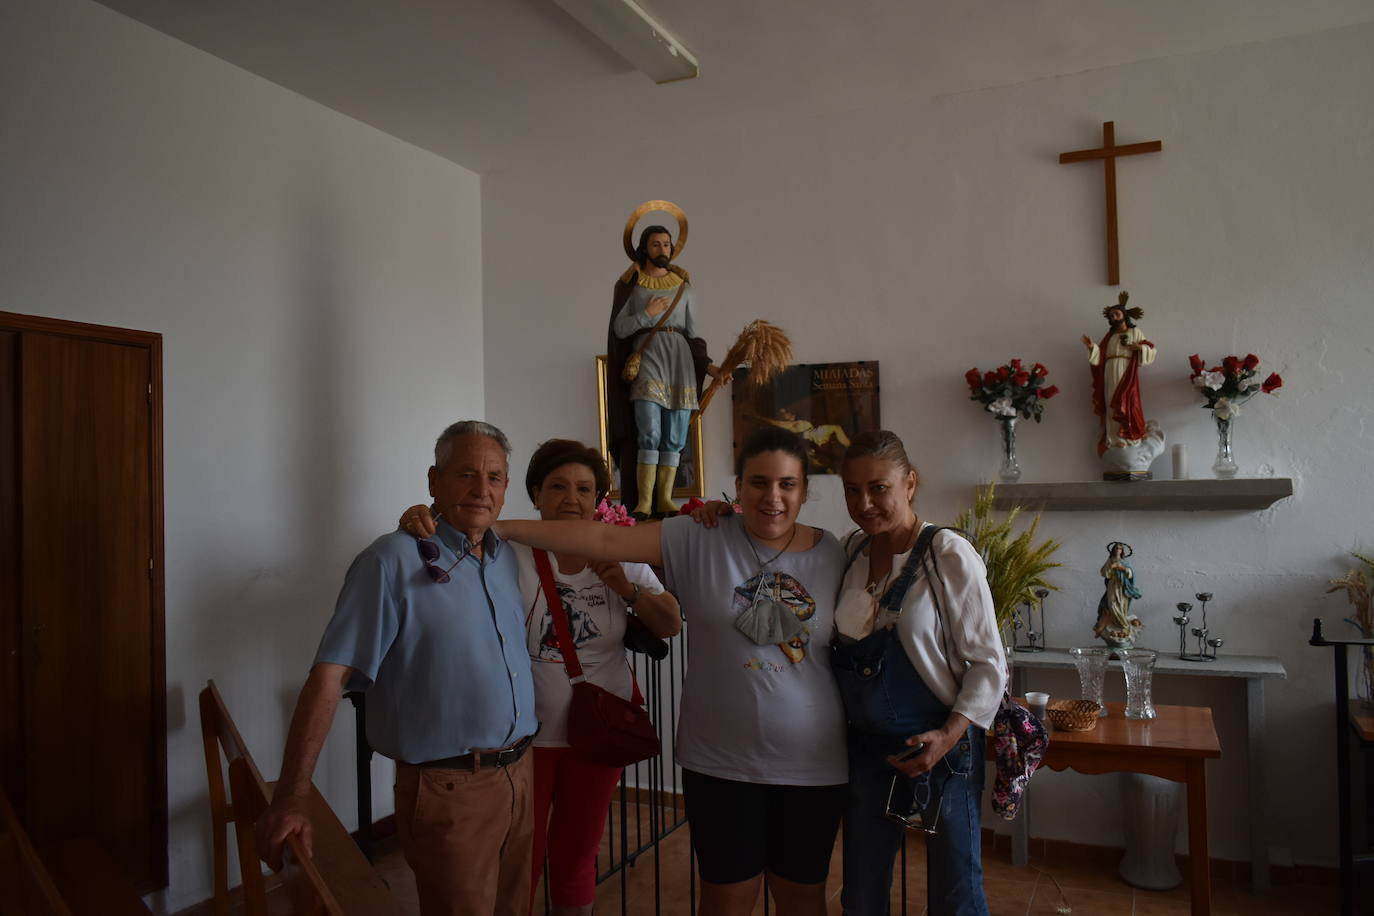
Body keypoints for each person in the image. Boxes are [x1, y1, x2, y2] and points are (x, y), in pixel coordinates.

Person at [462, 427, 848, 916]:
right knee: (724, 897)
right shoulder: (699, 536)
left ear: (806, 490)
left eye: (787, 484)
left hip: (810, 761)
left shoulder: (834, 552)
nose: (772, 496)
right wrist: (490, 524)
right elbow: (602, 536)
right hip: (716, 762)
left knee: (801, 896)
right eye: (758, 482)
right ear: (740, 486)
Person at [257, 421, 537, 916]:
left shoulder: (502, 559)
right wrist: (291, 796)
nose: (481, 489)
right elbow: (329, 677)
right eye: (466, 474)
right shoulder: (390, 562)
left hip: (519, 776)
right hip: (451, 789)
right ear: (434, 480)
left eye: (495, 477)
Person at [399, 439, 681, 916]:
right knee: (518, 856)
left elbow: (669, 622)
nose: (571, 498)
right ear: (535, 493)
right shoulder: (509, 550)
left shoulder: (620, 553)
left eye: (584, 489)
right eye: (557, 487)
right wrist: (420, 517)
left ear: (599, 499)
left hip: (597, 732)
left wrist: (626, 588)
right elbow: (451, 540)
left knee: (577, 851)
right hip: (525, 738)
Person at [831, 430, 1005, 916]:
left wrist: (948, 736)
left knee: (956, 891)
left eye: (878, 487)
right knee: (862, 892)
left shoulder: (945, 553)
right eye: (851, 489)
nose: (863, 503)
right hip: (867, 748)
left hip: (943, 745)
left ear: (910, 483)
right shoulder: (849, 554)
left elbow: (989, 664)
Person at [607, 224, 711, 518]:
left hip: (678, 360)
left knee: (675, 434)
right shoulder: (632, 284)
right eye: (656, 244)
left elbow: (693, 335)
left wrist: (709, 365)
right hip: (648, 355)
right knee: (649, 429)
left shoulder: (684, 287)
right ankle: (643, 501)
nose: (662, 250)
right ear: (644, 248)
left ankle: (665, 499)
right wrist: (646, 315)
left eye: (666, 244)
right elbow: (620, 328)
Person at [1081, 291, 1156, 455]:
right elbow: (1101, 355)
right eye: (1111, 315)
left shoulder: (1135, 332)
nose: (1113, 317)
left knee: (1127, 402)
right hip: (1109, 370)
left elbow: (1151, 349)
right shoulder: (1111, 336)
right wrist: (1092, 347)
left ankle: (1128, 437)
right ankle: (1114, 438)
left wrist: (1138, 348)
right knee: (1110, 403)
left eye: (1116, 314)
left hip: (1126, 370)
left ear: (1124, 315)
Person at [1093, 541, 1143, 650]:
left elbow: (1131, 574)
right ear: (1113, 550)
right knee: (1112, 604)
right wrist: (1111, 567)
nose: (1118, 550)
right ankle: (1116, 625)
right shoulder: (1110, 560)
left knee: (1121, 606)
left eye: (1120, 549)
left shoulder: (1125, 562)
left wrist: (1122, 568)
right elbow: (1104, 573)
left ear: (1122, 551)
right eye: (1116, 548)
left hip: (1122, 587)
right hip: (1113, 586)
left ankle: (1123, 625)